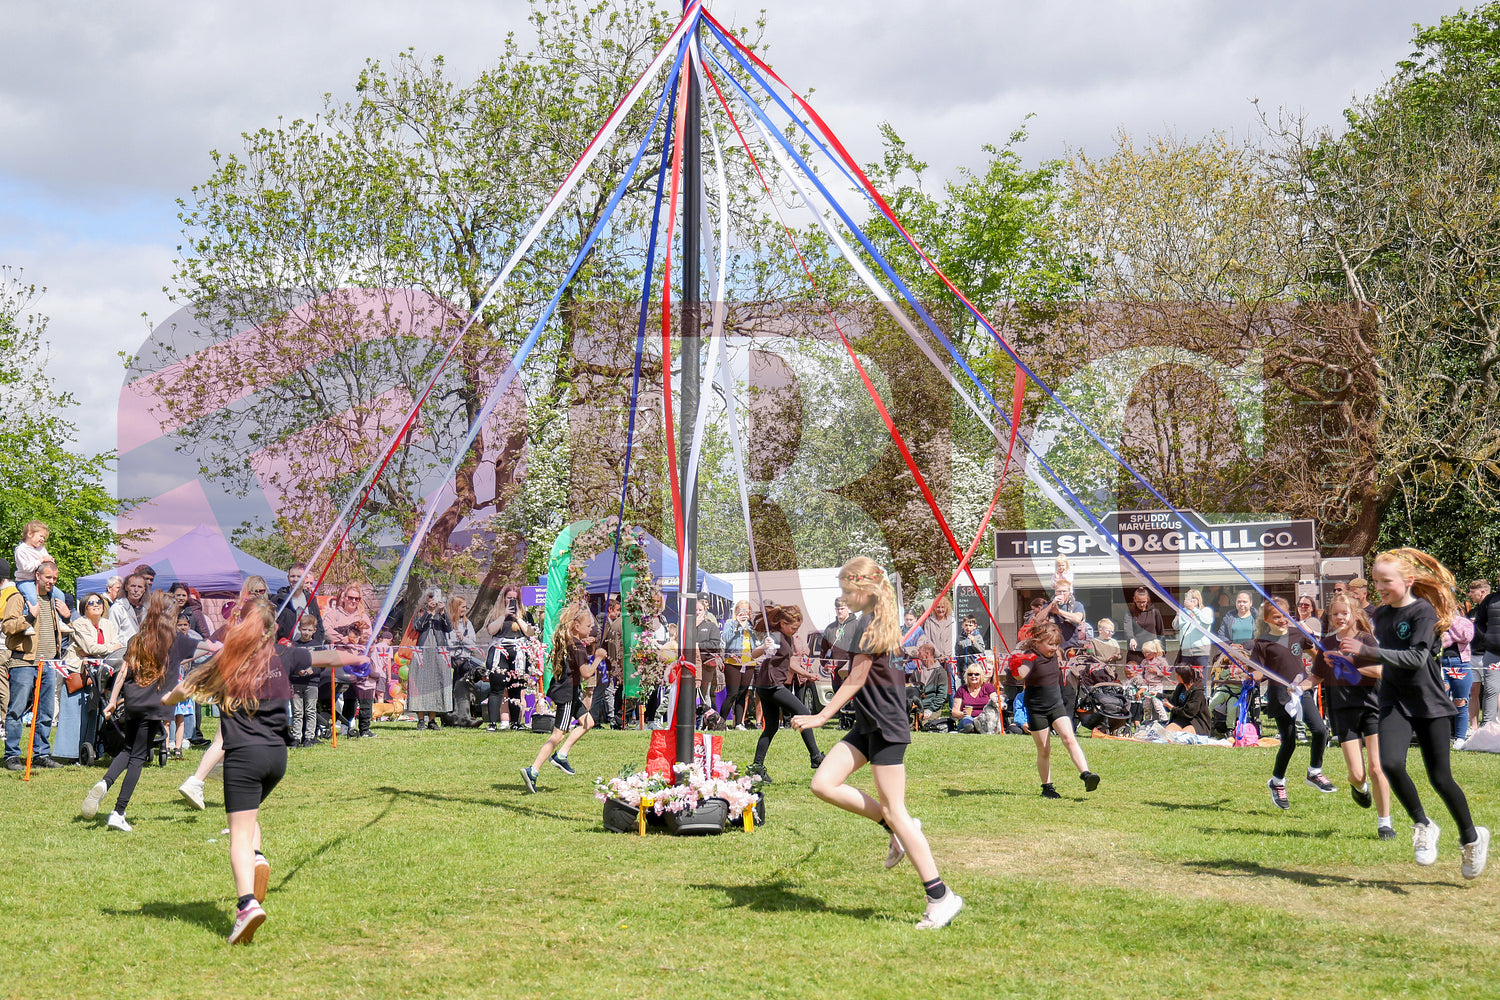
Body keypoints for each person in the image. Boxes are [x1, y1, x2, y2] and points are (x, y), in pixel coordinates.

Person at [162, 597, 368, 943]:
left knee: (238, 834)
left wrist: (167, 700)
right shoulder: (284, 655)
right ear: (272, 630)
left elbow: (184, 689)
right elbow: (330, 657)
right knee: (250, 814)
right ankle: (257, 859)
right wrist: (361, 656)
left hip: (244, 757)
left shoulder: (224, 660)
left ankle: (246, 905)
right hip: (277, 757)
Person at [791, 557, 963, 930]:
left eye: (847, 590)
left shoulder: (870, 625)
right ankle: (895, 829)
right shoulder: (871, 623)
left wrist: (820, 717)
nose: (843, 597)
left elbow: (856, 678)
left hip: (885, 726)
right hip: (870, 723)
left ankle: (941, 896)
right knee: (823, 783)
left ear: (864, 591)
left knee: (898, 811)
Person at [1340, 548, 1489, 877]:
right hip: (1394, 700)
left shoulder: (1422, 611)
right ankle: (1423, 824)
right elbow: (1382, 655)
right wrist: (1355, 657)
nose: (1379, 587)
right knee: (1390, 763)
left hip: (1429, 702)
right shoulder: (1380, 615)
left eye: (1386, 581)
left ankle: (1471, 839)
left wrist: (1368, 650)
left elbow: (1416, 658)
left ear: (1407, 580)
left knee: (1441, 778)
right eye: (1376, 580)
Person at [80, 592, 204, 828]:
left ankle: (105, 783)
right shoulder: (174, 640)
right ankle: (119, 812)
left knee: (128, 749)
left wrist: (113, 701)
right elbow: (207, 647)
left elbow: (123, 672)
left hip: (132, 702)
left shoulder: (138, 639)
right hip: (154, 705)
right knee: (138, 758)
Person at [178, 577, 267, 810]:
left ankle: (221, 773)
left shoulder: (244, 618)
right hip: (238, 683)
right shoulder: (247, 619)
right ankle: (197, 780)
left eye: (262, 591)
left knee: (240, 737)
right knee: (226, 738)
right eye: (255, 591)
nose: (259, 595)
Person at [1312, 593, 1393, 840]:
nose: (1340, 618)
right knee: (1358, 774)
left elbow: (1381, 670)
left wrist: (1350, 664)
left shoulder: (1366, 639)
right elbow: (1316, 677)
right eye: (1335, 614)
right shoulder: (1326, 644)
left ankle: (1384, 823)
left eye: (1344, 613)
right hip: (1343, 711)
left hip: (1371, 707)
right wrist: (1296, 685)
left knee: (1377, 767)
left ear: (1354, 615)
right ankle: (1359, 788)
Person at [1255, 597, 1334, 810]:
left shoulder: (1298, 634)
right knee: (1289, 742)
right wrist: (1250, 674)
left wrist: (1326, 666)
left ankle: (1315, 772)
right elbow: (1257, 674)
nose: (1282, 620)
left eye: (1285, 615)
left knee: (1319, 730)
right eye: (1276, 617)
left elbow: (1317, 656)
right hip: (1280, 695)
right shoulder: (1263, 643)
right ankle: (1277, 782)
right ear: (1266, 619)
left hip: (1301, 690)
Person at [520, 602, 606, 792]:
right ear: (577, 627)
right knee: (558, 735)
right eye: (587, 626)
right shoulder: (578, 648)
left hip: (570, 691)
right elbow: (586, 673)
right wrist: (598, 658)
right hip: (567, 694)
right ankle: (532, 770)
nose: (591, 628)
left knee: (588, 722)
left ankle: (562, 756)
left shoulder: (571, 642)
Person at [1010, 621, 1100, 798]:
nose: (1054, 648)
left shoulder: (1053, 654)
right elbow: (1020, 674)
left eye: (1057, 644)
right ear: (1037, 642)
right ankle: (1047, 787)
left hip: (1055, 704)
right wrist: (1015, 665)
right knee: (1044, 749)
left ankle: (1086, 774)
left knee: (1069, 738)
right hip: (1037, 709)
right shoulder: (1031, 656)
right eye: (1050, 644)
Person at [747, 604, 824, 781]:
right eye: (793, 627)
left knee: (772, 727)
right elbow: (754, 654)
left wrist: (806, 674)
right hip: (771, 686)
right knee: (804, 712)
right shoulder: (775, 636)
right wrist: (764, 647)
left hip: (767, 686)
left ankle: (757, 768)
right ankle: (816, 757)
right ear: (782, 623)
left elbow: (788, 662)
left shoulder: (787, 637)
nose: (795, 631)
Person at [2, 559, 66, 769]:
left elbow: (59, 630)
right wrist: (29, 617)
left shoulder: (53, 599)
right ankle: (12, 755)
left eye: (55, 578)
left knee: (45, 711)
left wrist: (67, 617)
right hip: (24, 661)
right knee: (16, 710)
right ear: (37, 576)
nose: (52, 582)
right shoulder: (19, 597)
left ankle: (40, 754)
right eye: (48, 577)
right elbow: (8, 626)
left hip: (48, 662)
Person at [482, 585, 535, 732]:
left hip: (518, 652)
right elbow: (491, 630)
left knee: (516, 689)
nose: (511, 601)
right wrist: (504, 615)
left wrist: (517, 617)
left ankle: (516, 723)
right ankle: (493, 723)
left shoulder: (525, 615)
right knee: (497, 688)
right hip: (499, 651)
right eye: (509, 598)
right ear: (504, 599)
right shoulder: (496, 613)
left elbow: (530, 633)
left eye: (515, 599)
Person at [13, 521, 71, 637]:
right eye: (41, 536)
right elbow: (26, 567)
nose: (42, 540)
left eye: (44, 537)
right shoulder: (21, 550)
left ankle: (59, 621)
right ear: (30, 534)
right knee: (32, 598)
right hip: (25, 580)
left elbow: (46, 564)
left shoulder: (41, 549)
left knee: (60, 595)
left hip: (38, 581)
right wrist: (41, 561)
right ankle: (27, 622)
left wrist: (50, 561)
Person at [407, 587, 453, 731]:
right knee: (421, 684)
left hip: (439, 653)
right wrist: (428, 613)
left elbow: (448, 628)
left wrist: (442, 612)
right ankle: (421, 719)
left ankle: (432, 720)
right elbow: (418, 627)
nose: (433, 599)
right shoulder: (420, 613)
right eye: (430, 596)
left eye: (435, 596)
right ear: (425, 599)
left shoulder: (442, 614)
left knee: (435, 684)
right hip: (422, 652)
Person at [1440, 604, 1475, 747]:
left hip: (1461, 664)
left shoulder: (1464, 622)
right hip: (1440, 664)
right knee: (1440, 702)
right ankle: (1441, 737)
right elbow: (1440, 642)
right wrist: (1453, 635)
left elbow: (1466, 636)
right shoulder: (1434, 622)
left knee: (1461, 701)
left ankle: (1460, 738)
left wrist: (1449, 626)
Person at [719, 600, 758, 729]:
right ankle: (722, 722)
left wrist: (751, 626)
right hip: (733, 662)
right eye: (742, 610)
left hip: (749, 662)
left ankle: (739, 723)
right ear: (736, 611)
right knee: (733, 693)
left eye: (747, 610)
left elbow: (757, 641)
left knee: (743, 693)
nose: (744, 613)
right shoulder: (730, 623)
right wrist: (738, 625)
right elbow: (726, 638)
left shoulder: (752, 626)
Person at [1471, 578, 1500, 727]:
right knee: (1491, 690)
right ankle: (1487, 727)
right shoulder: (1490, 599)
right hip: (1493, 652)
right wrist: (1487, 638)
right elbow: (1479, 623)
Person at [273, 563, 325, 643]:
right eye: (292, 576)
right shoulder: (279, 600)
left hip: (309, 648)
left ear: (304, 578)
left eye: (299, 576)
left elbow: (319, 625)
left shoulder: (310, 599)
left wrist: (318, 643)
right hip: (286, 649)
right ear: (288, 578)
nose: (295, 579)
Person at [908, 641, 952, 731]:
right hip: (916, 708)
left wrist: (931, 709)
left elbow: (942, 695)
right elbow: (910, 690)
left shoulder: (940, 672)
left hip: (931, 708)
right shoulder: (917, 671)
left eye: (920, 653)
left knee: (926, 725)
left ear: (927, 654)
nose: (918, 655)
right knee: (906, 726)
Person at [952, 660, 1000, 734]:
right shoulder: (962, 689)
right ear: (966, 676)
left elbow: (996, 704)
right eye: (970, 674)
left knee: (984, 720)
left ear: (981, 675)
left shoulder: (988, 687)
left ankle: (975, 728)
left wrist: (982, 716)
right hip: (967, 718)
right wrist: (962, 714)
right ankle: (971, 727)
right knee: (967, 720)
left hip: (985, 718)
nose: (973, 676)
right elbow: (954, 712)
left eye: (976, 674)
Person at [1162, 664, 1211, 735]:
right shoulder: (1181, 686)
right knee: (1168, 732)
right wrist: (1157, 694)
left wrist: (1171, 707)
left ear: (1183, 676)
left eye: (1177, 675)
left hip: (1196, 721)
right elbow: (1174, 698)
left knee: (1182, 736)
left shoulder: (1197, 692)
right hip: (1182, 719)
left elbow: (1188, 712)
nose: (1176, 676)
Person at [1173, 589, 1214, 668]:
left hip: (1201, 653)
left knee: (1201, 679)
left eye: (1194, 598)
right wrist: (1179, 613)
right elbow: (1175, 626)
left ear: (1199, 599)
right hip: (1186, 653)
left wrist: (1194, 609)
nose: (1192, 600)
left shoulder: (1206, 611)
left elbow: (1207, 621)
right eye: (1189, 598)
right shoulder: (1183, 612)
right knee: (1186, 679)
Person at [1124, 587, 1164, 665]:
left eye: (1144, 602)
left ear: (1148, 600)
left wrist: (1162, 651)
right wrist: (1131, 638)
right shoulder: (1130, 613)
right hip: (1136, 651)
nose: (1141, 604)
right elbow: (1127, 627)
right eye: (1139, 602)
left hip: (1151, 651)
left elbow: (1160, 632)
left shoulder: (1154, 612)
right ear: (1134, 599)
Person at [109, 573, 149, 645]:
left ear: (144, 589)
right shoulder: (117, 609)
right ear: (126, 587)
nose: (136, 590)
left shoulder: (147, 610)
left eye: (140, 587)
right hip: (123, 652)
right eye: (133, 586)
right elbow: (112, 636)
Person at [924, 595, 955, 663]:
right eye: (938, 607)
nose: (940, 610)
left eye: (943, 607)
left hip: (948, 659)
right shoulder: (929, 621)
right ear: (934, 608)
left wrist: (946, 656)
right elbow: (927, 640)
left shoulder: (951, 621)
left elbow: (952, 640)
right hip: (933, 658)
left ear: (947, 608)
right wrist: (938, 655)